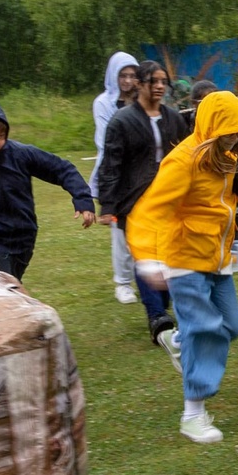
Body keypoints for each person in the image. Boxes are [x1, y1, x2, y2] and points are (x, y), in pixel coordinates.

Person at [127, 91, 238, 443]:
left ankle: (179, 339)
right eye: (228, 134)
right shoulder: (183, 161)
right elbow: (149, 212)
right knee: (205, 328)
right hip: (183, 259)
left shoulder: (224, 155)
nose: (235, 140)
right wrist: (147, 259)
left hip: (217, 259)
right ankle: (193, 414)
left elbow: (213, 201)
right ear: (210, 127)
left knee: (232, 326)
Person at [98, 60, 190, 344]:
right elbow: (110, 165)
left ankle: (161, 302)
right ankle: (156, 316)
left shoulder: (174, 118)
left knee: (167, 255)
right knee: (145, 257)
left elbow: (188, 155)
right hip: (134, 201)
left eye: (164, 81)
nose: (160, 86)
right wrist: (108, 206)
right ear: (139, 83)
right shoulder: (122, 121)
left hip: (169, 199)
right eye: (154, 81)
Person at [0, 104, 96, 281]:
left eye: (0, 135)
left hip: (19, 239)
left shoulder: (20, 155)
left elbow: (62, 169)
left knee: (7, 289)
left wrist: (83, 200)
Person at [91, 51, 140, 304]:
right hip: (116, 173)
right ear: (114, 76)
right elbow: (106, 140)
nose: (128, 81)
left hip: (141, 173)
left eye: (133, 75)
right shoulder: (103, 103)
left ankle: (145, 278)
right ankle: (122, 283)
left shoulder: (142, 101)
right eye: (123, 75)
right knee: (120, 231)